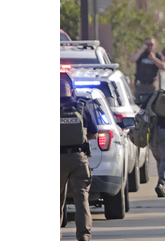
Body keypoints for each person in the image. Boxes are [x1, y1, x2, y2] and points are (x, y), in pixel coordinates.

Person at [60, 72, 99, 241]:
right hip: (78, 158)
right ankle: (83, 235)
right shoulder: (82, 106)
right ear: (71, 89)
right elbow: (94, 134)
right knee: (81, 197)